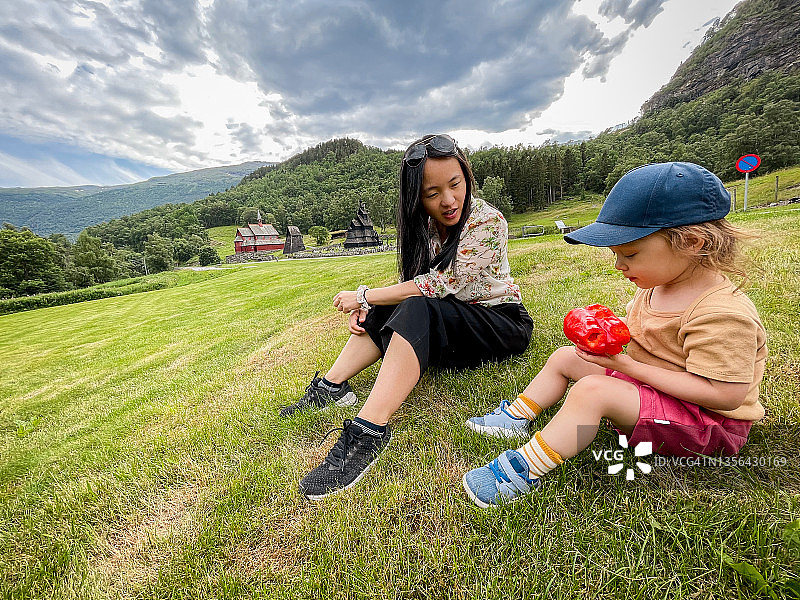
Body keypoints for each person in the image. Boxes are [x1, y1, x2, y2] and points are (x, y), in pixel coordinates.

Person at [462, 162, 767, 508]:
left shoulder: (721, 313)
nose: (618, 265)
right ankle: (516, 416)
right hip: (659, 391)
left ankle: (525, 468)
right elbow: (646, 338)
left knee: (592, 392)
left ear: (692, 243)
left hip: (706, 423)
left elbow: (724, 395)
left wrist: (629, 368)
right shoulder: (659, 285)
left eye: (630, 253)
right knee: (566, 357)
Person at [282, 134, 533, 500]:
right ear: (416, 197)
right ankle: (332, 387)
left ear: (467, 176)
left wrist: (364, 296)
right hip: (454, 323)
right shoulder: (427, 228)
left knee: (409, 301)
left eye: (455, 184)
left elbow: (438, 286)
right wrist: (373, 311)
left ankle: (367, 432)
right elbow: (413, 285)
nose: (448, 200)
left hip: (500, 324)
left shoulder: (487, 221)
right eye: (433, 193)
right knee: (391, 303)